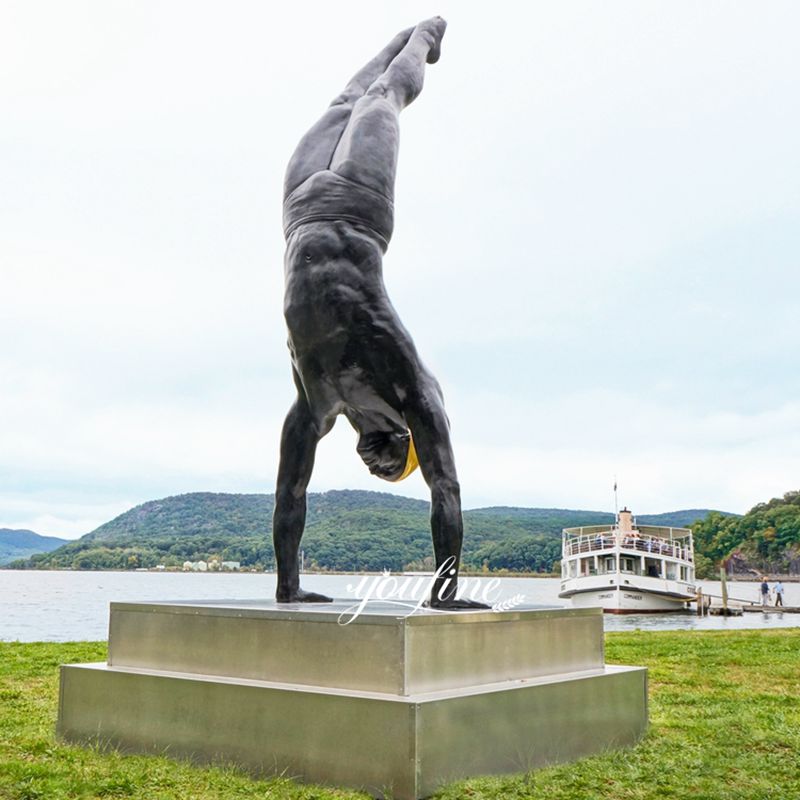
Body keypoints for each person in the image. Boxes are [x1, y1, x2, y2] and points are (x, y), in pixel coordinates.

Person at [273, 18, 485, 610]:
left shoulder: (317, 401)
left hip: (299, 210)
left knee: (348, 100)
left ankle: (404, 38)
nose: (373, 465)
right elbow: (446, 485)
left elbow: (291, 490)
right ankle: (424, 39)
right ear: (404, 443)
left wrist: (288, 588)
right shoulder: (412, 386)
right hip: (360, 209)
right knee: (385, 96)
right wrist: (445, 594)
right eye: (389, 469)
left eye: (374, 470)